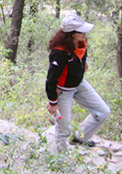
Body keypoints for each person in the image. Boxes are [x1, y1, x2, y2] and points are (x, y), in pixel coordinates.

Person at [46, 14, 110, 151]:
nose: (84, 34)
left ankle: (80, 138)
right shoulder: (59, 52)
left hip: (79, 84)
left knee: (103, 112)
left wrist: (82, 65)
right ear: (71, 34)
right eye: (81, 32)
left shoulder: (81, 42)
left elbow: (82, 54)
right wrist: (53, 102)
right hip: (63, 91)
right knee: (63, 129)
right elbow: (51, 79)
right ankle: (61, 160)